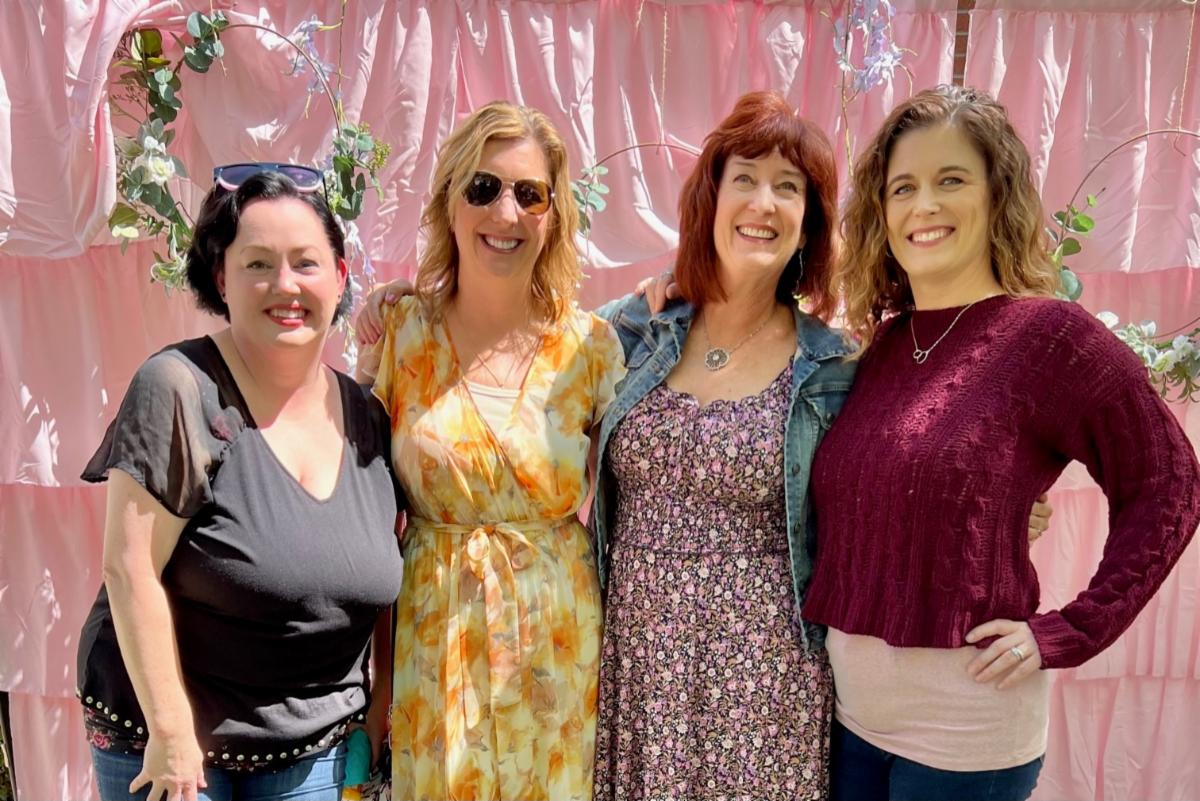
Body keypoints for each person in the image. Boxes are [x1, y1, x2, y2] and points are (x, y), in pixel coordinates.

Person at [800, 85, 1200, 801]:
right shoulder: (885, 347)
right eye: (903, 187)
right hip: (851, 723)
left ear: (997, 196)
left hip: (965, 739)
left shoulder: (1050, 337)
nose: (924, 205)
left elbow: (1168, 484)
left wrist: (1070, 629)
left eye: (951, 180)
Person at [76, 167, 403, 801]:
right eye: (258, 264)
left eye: (306, 263)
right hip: (173, 746)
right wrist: (170, 731)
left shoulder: (370, 419)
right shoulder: (178, 388)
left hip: (314, 747)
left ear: (340, 278)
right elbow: (129, 565)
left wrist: (380, 704)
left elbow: (390, 575)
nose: (285, 285)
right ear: (222, 278)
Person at [356, 101, 626, 800]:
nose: (506, 213)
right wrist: (379, 687)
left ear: (553, 215)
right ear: (451, 203)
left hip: (559, 649)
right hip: (434, 642)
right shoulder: (402, 333)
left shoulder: (592, 349)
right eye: (483, 188)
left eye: (530, 193)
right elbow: (369, 518)